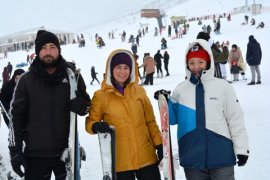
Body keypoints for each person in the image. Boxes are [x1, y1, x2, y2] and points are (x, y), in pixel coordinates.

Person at [154, 39, 249, 180]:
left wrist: (241, 149)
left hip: (221, 156)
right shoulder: (181, 90)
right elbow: (172, 119)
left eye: (200, 62)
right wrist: (165, 100)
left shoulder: (223, 87)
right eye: (191, 63)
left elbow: (235, 119)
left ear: (208, 62)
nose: (196, 67)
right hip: (192, 158)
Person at [8, 30, 91, 179]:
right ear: (37, 52)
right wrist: (15, 151)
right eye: (43, 48)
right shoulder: (26, 80)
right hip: (35, 156)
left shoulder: (72, 76)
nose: (48, 52)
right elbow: (16, 117)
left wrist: (83, 106)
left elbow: (88, 104)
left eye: (52, 47)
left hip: (66, 153)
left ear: (59, 49)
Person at [85, 49, 163, 180]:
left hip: (146, 157)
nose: (123, 71)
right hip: (121, 162)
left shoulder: (139, 91)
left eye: (126, 67)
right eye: (118, 67)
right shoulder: (101, 96)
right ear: (110, 69)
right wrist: (96, 126)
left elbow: (150, 121)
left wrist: (160, 145)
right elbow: (89, 123)